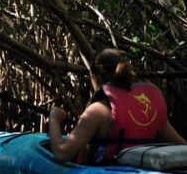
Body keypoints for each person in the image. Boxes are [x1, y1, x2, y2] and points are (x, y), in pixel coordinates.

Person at [49, 47, 186, 164]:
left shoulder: (98, 111)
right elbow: (183, 145)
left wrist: (54, 119)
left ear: (95, 76)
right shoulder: (152, 108)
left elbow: (62, 153)